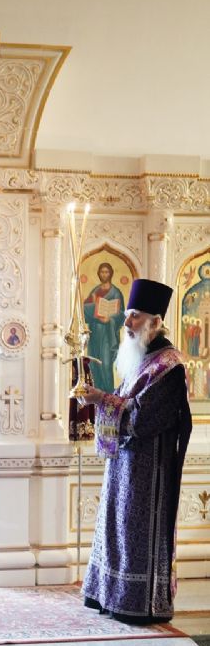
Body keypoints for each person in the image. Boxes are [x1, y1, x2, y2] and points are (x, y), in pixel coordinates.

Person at [80, 278, 192, 624]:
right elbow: (123, 399)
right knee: (116, 529)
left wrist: (101, 399)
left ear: (155, 322)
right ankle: (111, 595)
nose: (127, 322)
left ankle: (138, 602)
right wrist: (98, 398)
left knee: (134, 534)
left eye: (135, 316)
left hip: (148, 473)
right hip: (124, 465)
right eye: (128, 314)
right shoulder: (143, 360)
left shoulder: (168, 366)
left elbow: (143, 419)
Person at [83, 262, 125, 393]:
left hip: (107, 334)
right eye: (102, 272)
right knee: (94, 363)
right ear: (98, 274)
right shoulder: (95, 291)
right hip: (95, 332)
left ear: (111, 273)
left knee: (106, 364)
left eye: (106, 272)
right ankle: (96, 393)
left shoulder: (116, 292)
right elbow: (84, 310)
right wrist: (93, 304)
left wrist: (110, 319)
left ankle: (108, 394)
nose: (104, 274)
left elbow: (121, 314)